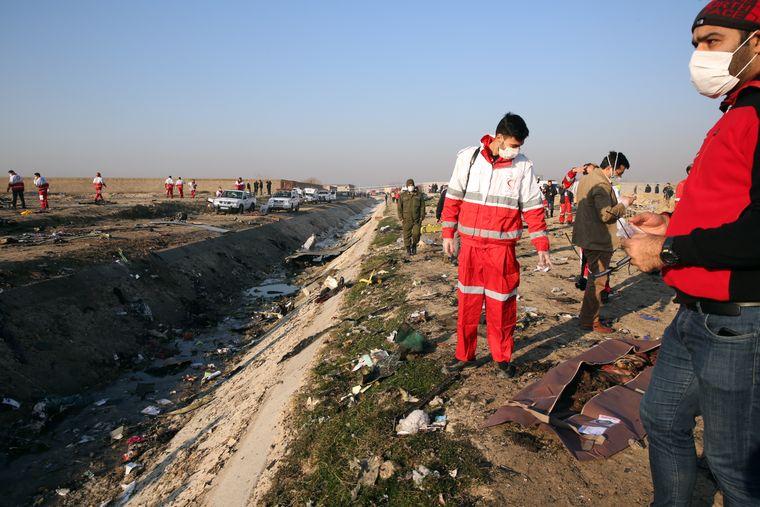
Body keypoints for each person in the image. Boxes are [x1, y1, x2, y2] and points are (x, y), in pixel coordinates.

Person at [622, 3, 760, 504]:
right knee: (660, 419)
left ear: (756, 43)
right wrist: (670, 225)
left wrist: (669, 249)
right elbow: (727, 209)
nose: (699, 57)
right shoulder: (735, 113)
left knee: (733, 463)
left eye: (713, 42)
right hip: (692, 314)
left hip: (737, 322)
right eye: (695, 44)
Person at [440, 113, 551, 378]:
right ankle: (464, 355)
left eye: (519, 146)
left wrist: (541, 244)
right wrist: (448, 233)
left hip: (501, 252)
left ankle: (502, 358)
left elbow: (534, 207)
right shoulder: (469, 158)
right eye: (513, 144)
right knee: (467, 305)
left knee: (502, 306)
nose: (516, 150)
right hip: (470, 249)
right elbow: (453, 196)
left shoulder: (523, 166)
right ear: (498, 138)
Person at [572, 151, 635, 333]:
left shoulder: (587, 178)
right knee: (598, 281)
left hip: (588, 236)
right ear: (613, 167)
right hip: (598, 239)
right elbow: (606, 215)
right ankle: (591, 321)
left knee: (594, 279)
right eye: (620, 172)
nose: (619, 176)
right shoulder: (601, 184)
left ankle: (588, 319)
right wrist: (624, 204)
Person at [398, 179, 425, 255]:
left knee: (416, 234)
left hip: (417, 219)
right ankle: (408, 249)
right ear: (407, 186)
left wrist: (422, 217)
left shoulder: (419, 195)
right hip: (406, 219)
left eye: (412, 185)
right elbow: (399, 208)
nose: (411, 186)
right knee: (406, 235)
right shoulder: (402, 196)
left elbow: (422, 207)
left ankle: (414, 246)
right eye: (409, 185)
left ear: (414, 185)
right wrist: (401, 218)